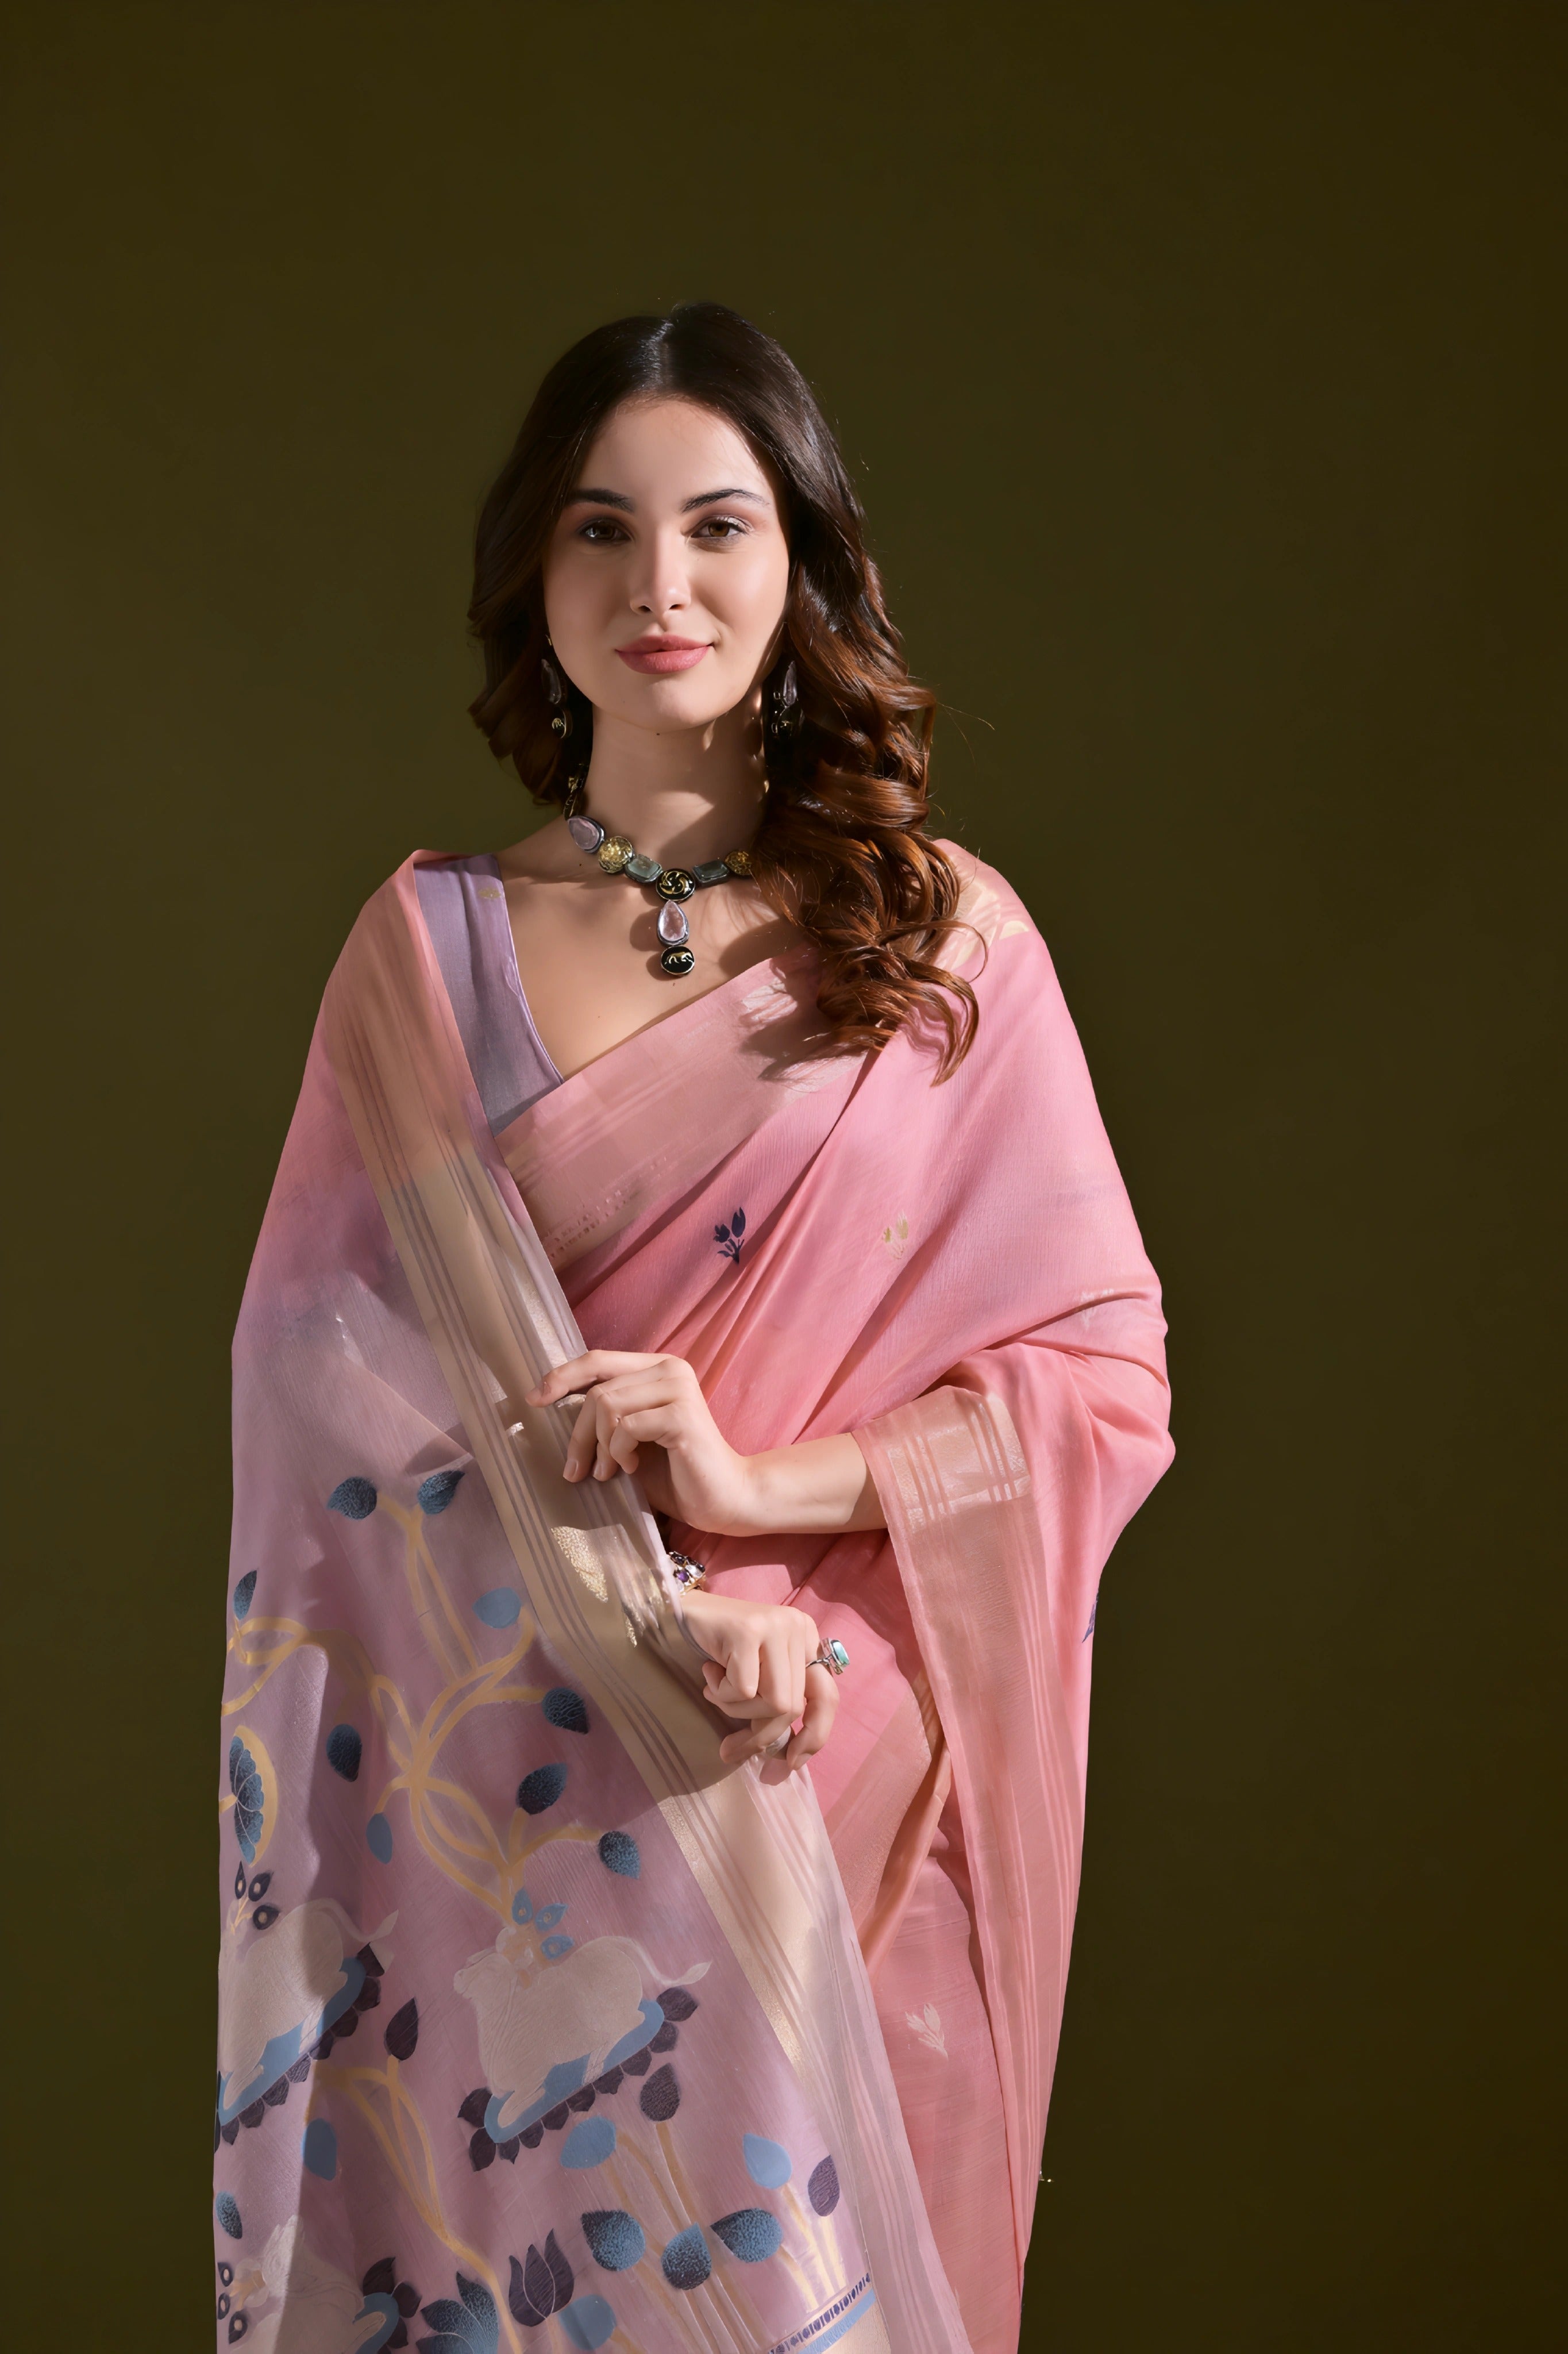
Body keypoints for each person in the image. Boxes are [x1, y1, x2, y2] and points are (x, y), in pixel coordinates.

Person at [214, 302, 1173, 2354]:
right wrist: (635, 1618)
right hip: (529, 1814)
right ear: (530, 582)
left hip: (821, 1770)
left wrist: (755, 1496)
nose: (660, 587)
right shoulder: (427, 956)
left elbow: (1093, 1391)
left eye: (718, 528)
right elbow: (323, 1396)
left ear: (802, 572)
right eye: (599, 530)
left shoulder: (939, 944)